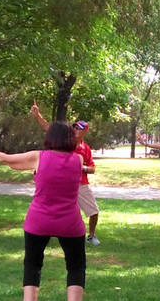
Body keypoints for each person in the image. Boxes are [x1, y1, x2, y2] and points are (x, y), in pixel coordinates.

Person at [0, 123, 86, 301]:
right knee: (76, 267)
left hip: (39, 220)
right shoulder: (78, 160)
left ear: (50, 138)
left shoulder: (38, 157)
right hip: (70, 222)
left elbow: (6, 159)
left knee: (32, 265)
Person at [30, 101, 100, 246]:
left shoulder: (85, 148)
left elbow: (93, 168)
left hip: (80, 183)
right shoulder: (64, 141)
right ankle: (44, 234)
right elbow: (48, 128)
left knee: (94, 211)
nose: (76, 130)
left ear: (85, 132)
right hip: (60, 182)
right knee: (50, 208)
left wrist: (81, 168)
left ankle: (91, 236)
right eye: (74, 127)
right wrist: (38, 115)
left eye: (79, 128)